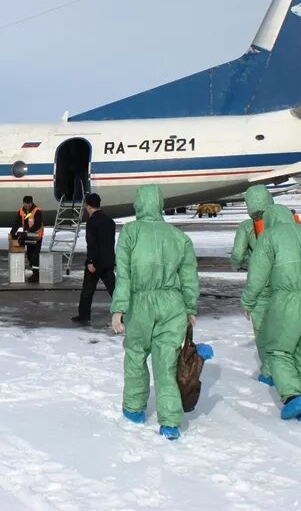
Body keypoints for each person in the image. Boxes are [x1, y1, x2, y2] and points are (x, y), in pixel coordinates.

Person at [111, 185, 199, 440]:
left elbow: (124, 276)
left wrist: (119, 309)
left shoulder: (130, 233)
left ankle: (134, 409)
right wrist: (190, 308)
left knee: (136, 356)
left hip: (140, 303)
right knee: (167, 364)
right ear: (160, 204)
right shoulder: (178, 236)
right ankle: (170, 422)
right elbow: (190, 277)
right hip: (172, 304)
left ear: (138, 204)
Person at [241, 204, 301, 422]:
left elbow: (257, 276)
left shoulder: (269, 237)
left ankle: (293, 395)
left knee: (278, 351)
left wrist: (248, 301)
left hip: (287, 299)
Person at [229, 184, 275, 386]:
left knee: (263, 331)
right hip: (285, 284)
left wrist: (238, 264)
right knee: (287, 329)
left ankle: (269, 372)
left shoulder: (247, 227)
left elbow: (238, 255)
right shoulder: (285, 222)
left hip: (260, 287)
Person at [72, 193, 116, 323]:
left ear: (89, 206)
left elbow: (92, 244)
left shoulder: (92, 222)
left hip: (96, 263)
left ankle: (84, 315)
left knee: (88, 291)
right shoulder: (109, 221)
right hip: (108, 261)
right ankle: (124, 313)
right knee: (115, 290)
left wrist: (91, 261)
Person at [10, 195, 44, 283]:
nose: (27, 206)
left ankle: (37, 275)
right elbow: (17, 222)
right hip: (28, 236)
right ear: (23, 203)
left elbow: (38, 224)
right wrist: (12, 232)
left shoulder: (37, 211)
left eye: (28, 204)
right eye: (25, 204)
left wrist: (27, 231)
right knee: (29, 255)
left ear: (31, 203)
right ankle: (35, 272)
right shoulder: (21, 210)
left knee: (34, 255)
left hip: (37, 236)